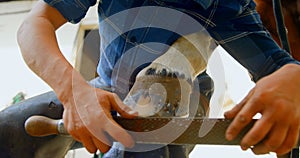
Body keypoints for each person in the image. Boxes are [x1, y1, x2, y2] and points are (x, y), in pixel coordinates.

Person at [17, 0, 300, 157]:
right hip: (107, 89)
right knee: (9, 131)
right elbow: (35, 24)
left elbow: (281, 68)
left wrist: (293, 78)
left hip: (183, 93)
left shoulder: (226, 5)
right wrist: (73, 91)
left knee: (155, 94)